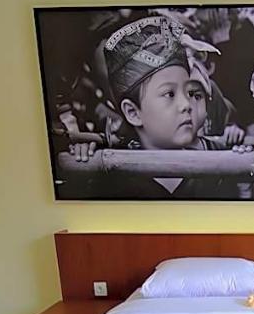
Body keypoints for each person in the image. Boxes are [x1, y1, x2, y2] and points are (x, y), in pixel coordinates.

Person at [57, 15, 243, 199]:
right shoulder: (113, 175)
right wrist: (82, 163)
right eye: (169, 94)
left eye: (188, 93)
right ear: (133, 112)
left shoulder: (219, 157)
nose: (186, 105)